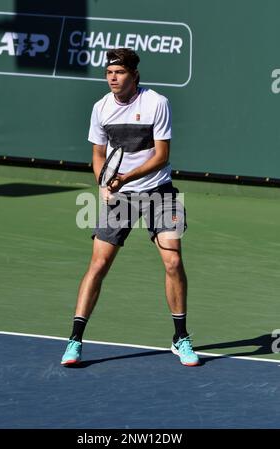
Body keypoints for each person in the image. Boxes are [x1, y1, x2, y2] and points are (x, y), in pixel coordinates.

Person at [61, 48, 200, 367]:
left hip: (158, 191)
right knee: (98, 265)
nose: (112, 77)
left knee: (173, 261)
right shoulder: (100, 108)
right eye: (109, 72)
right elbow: (98, 154)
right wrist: (104, 180)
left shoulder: (157, 103)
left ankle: (180, 338)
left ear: (134, 75)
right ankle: (75, 340)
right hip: (119, 197)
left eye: (119, 72)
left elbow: (161, 156)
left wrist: (124, 178)